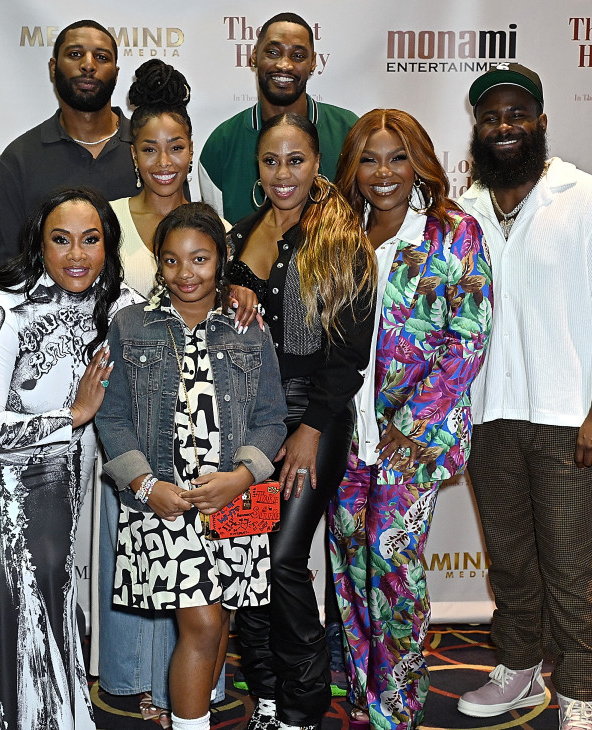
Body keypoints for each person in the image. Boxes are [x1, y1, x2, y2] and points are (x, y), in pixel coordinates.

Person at [454, 63, 592, 730]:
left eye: (517, 113)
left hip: (569, 421)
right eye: (491, 116)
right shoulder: (465, 211)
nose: (504, 126)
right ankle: (518, 669)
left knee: (568, 565)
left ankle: (580, 692)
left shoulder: (589, 199)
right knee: (509, 558)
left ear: (540, 121)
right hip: (489, 417)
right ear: (476, 128)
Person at [0, 188, 135, 730]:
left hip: (62, 466)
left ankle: (55, 719)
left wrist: (236, 291)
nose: (76, 255)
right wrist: (72, 416)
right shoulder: (2, 307)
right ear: (38, 245)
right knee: (11, 598)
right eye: (60, 240)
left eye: (91, 240)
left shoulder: (113, 300)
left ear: (108, 246)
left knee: (50, 595)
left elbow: (180, 301)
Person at [97, 58, 259, 727]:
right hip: (141, 428)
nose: (163, 161)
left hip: (224, 451)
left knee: (224, 589)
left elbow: (255, 362)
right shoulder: (104, 218)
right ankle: (141, 684)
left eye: (176, 147)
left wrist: (243, 286)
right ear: (130, 153)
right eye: (148, 148)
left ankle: (198, 698)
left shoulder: (217, 223)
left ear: (192, 151)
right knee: (148, 562)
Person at [329, 109, 493, 729]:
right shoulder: (342, 233)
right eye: (370, 159)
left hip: (413, 440)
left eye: (397, 157)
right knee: (349, 566)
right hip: (346, 436)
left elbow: (467, 341)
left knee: (392, 568)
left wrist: (414, 424)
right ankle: (363, 695)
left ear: (420, 160)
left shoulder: (455, 233)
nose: (383, 172)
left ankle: (397, 706)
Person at [97, 202, 288, 730]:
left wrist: (243, 476)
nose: (187, 274)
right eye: (172, 261)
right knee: (203, 625)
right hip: (167, 505)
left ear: (222, 258)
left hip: (234, 499)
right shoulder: (131, 325)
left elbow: (272, 418)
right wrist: (144, 483)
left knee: (218, 622)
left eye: (200, 259)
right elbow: (111, 418)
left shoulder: (248, 324)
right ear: (157, 264)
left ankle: (190, 716)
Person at [229, 113, 376, 730]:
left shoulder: (342, 240)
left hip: (312, 417)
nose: (283, 173)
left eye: (295, 160)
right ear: (258, 169)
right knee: (245, 558)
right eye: (271, 161)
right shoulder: (242, 232)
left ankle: (304, 703)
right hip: (243, 419)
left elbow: (348, 358)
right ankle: (266, 691)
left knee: (283, 561)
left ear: (317, 165)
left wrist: (312, 430)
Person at [0, 20, 138, 263]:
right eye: (75, 54)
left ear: (116, 72)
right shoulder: (20, 158)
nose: (88, 65)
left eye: (101, 57)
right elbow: (11, 262)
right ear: (53, 68)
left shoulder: (151, 149)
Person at [198, 12, 358, 224]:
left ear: (313, 63)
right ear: (254, 56)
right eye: (273, 52)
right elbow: (216, 238)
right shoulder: (221, 144)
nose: (285, 65)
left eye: (298, 56)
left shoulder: (348, 130)